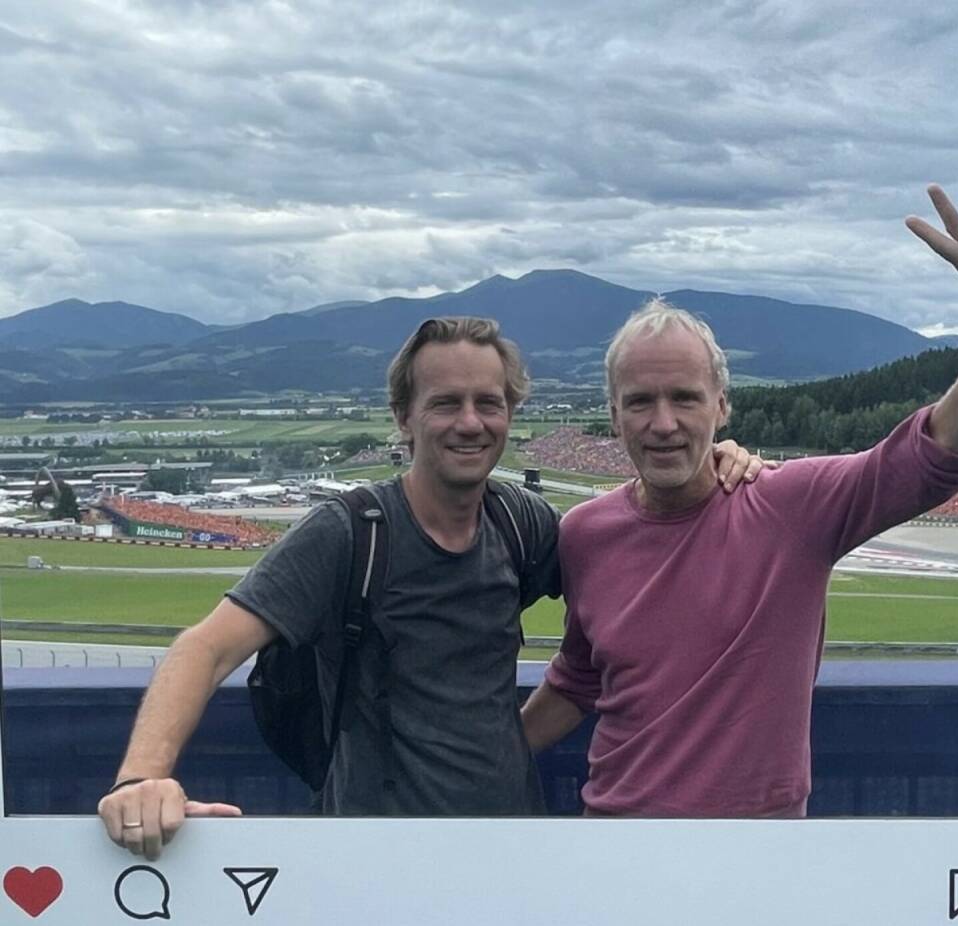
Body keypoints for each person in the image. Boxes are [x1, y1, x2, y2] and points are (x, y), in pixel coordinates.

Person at [98, 315, 761, 857]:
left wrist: (715, 469)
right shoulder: (349, 534)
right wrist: (142, 778)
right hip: (374, 856)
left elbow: (631, 563)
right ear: (404, 416)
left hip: (511, 851)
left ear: (510, 414)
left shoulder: (520, 523)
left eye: (488, 403)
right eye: (445, 403)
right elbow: (206, 647)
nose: (470, 422)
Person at [522, 184, 958, 817]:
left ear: (722, 405)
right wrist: (458, 771)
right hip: (616, 837)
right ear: (613, 416)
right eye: (639, 402)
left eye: (685, 398)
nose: (663, 422)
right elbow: (578, 679)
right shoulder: (584, 532)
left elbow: (927, 462)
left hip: (761, 850)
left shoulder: (788, 505)